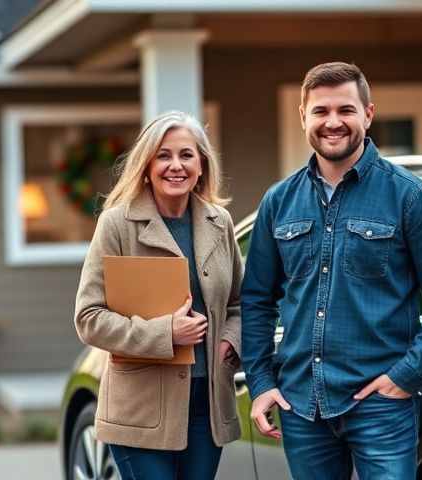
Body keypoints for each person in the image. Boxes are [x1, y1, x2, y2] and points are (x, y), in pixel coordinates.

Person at [241, 62, 422, 479]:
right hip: (300, 405)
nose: (333, 122)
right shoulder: (279, 201)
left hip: (380, 405)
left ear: (368, 113)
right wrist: (261, 383)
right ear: (303, 117)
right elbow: (256, 300)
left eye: (345, 110)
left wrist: (406, 375)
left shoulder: (411, 197)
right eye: (321, 111)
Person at [74, 111, 243, 479]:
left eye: (186, 155)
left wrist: (231, 340)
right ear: (147, 165)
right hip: (140, 410)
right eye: (164, 155)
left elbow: (239, 305)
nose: (175, 165)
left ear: (201, 164)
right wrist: (166, 334)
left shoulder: (220, 223)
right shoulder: (117, 224)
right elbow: (89, 318)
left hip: (207, 407)